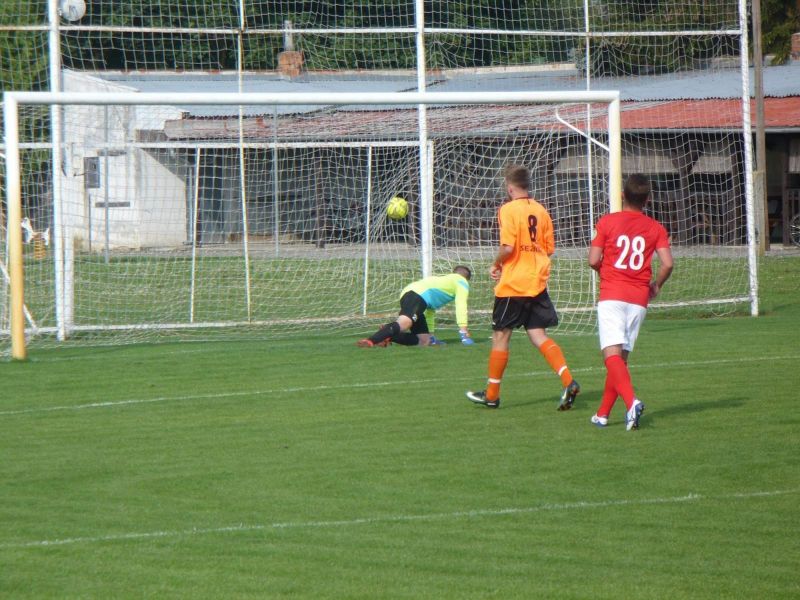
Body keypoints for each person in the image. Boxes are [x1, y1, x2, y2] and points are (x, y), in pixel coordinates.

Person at [466, 165, 579, 410]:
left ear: (509, 187)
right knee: (538, 335)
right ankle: (568, 381)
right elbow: (548, 248)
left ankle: (492, 395)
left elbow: (508, 247)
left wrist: (496, 264)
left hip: (514, 284)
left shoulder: (507, 209)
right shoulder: (542, 211)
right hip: (536, 282)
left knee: (500, 335)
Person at [588, 173, 673, 430]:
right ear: (647, 199)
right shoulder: (656, 227)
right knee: (620, 361)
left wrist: (609, 272)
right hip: (639, 298)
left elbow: (593, 259)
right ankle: (602, 414)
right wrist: (656, 284)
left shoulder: (607, 222)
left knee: (611, 357)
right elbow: (668, 263)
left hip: (613, 294)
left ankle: (631, 402)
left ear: (622, 195)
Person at [357, 266, 475, 347]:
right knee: (405, 323)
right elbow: (461, 304)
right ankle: (370, 341)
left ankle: (388, 336)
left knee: (424, 341)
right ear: (467, 278)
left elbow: (430, 311)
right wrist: (463, 332)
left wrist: (432, 336)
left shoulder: (444, 283)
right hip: (417, 295)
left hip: (414, 295)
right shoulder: (462, 282)